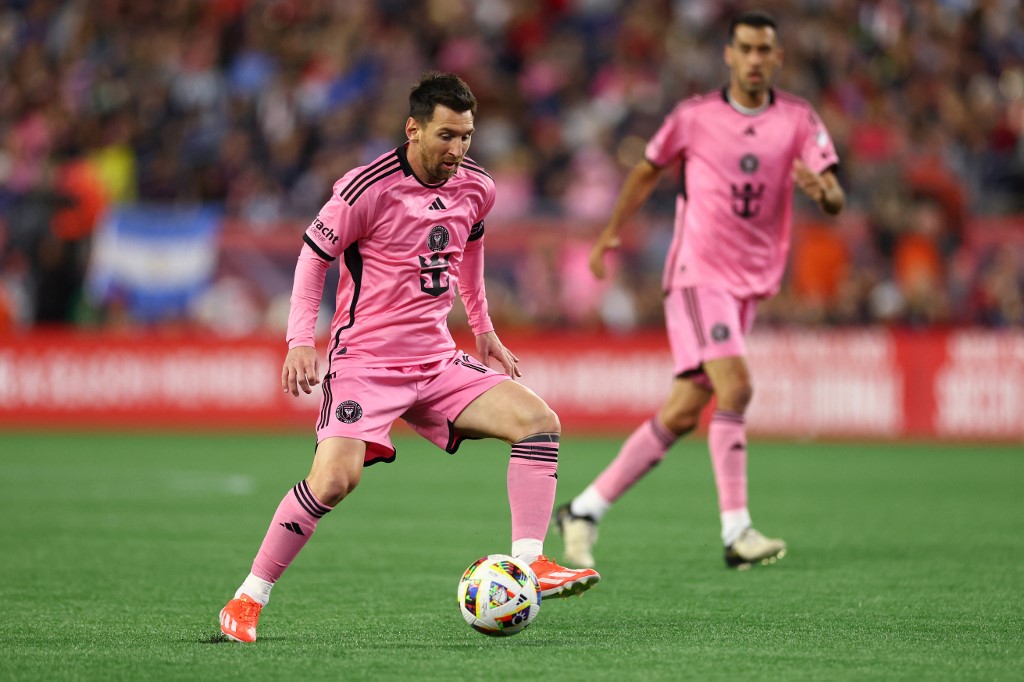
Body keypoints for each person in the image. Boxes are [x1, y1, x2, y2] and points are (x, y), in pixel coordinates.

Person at [218, 72, 599, 643]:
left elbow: (472, 248)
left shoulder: (477, 187)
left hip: (436, 359)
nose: (458, 149)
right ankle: (249, 597)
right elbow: (312, 258)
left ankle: (531, 560)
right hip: (366, 364)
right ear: (413, 129)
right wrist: (300, 340)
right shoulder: (365, 189)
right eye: (447, 136)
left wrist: (483, 327)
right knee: (333, 481)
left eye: (466, 136)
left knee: (539, 422)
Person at [555, 11, 845, 570]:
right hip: (698, 273)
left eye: (764, 49)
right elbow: (647, 169)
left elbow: (835, 195)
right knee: (735, 386)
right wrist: (611, 231)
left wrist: (823, 191)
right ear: (729, 55)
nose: (755, 59)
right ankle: (737, 531)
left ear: (778, 57)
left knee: (686, 410)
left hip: (750, 284)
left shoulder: (798, 119)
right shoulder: (694, 117)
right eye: (746, 49)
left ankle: (584, 510)